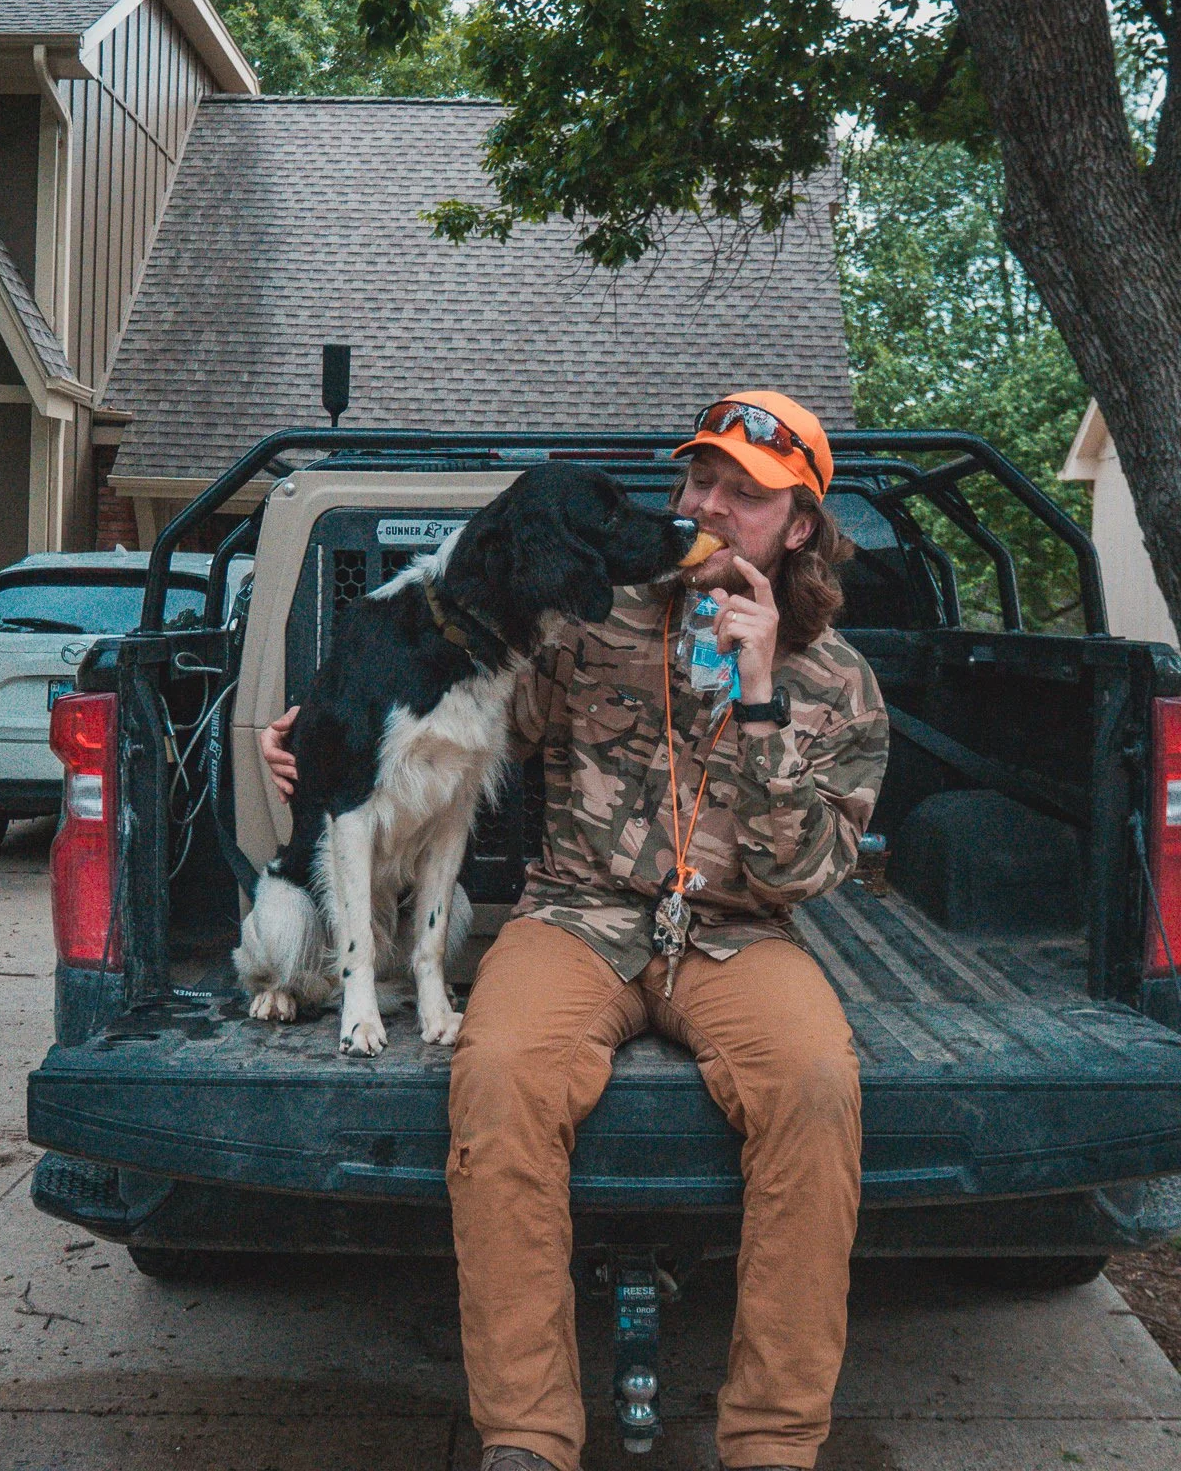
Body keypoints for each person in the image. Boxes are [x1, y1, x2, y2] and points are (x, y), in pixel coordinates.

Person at [259, 392, 891, 1471]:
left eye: (747, 495)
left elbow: (805, 868)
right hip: (575, 921)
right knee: (497, 1078)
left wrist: (754, 687)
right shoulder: (583, 618)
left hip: (738, 935)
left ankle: (774, 1446)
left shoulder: (835, 679)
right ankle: (527, 1439)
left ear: (798, 528)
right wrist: (323, 732)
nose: (710, 506)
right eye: (700, 481)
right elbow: (445, 691)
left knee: (818, 1087)